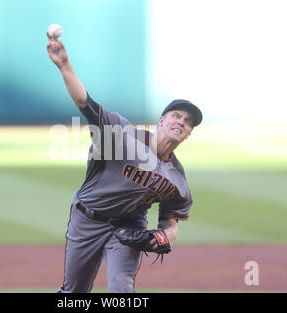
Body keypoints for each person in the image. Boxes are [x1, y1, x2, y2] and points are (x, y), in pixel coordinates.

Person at [46, 33, 202, 293]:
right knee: (74, 292)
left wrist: (163, 236)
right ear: (162, 120)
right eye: (176, 116)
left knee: (121, 289)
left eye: (188, 123)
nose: (181, 122)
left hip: (129, 227)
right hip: (87, 218)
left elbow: (170, 224)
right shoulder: (123, 135)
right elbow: (86, 104)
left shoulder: (177, 179)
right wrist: (64, 66)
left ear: (188, 134)